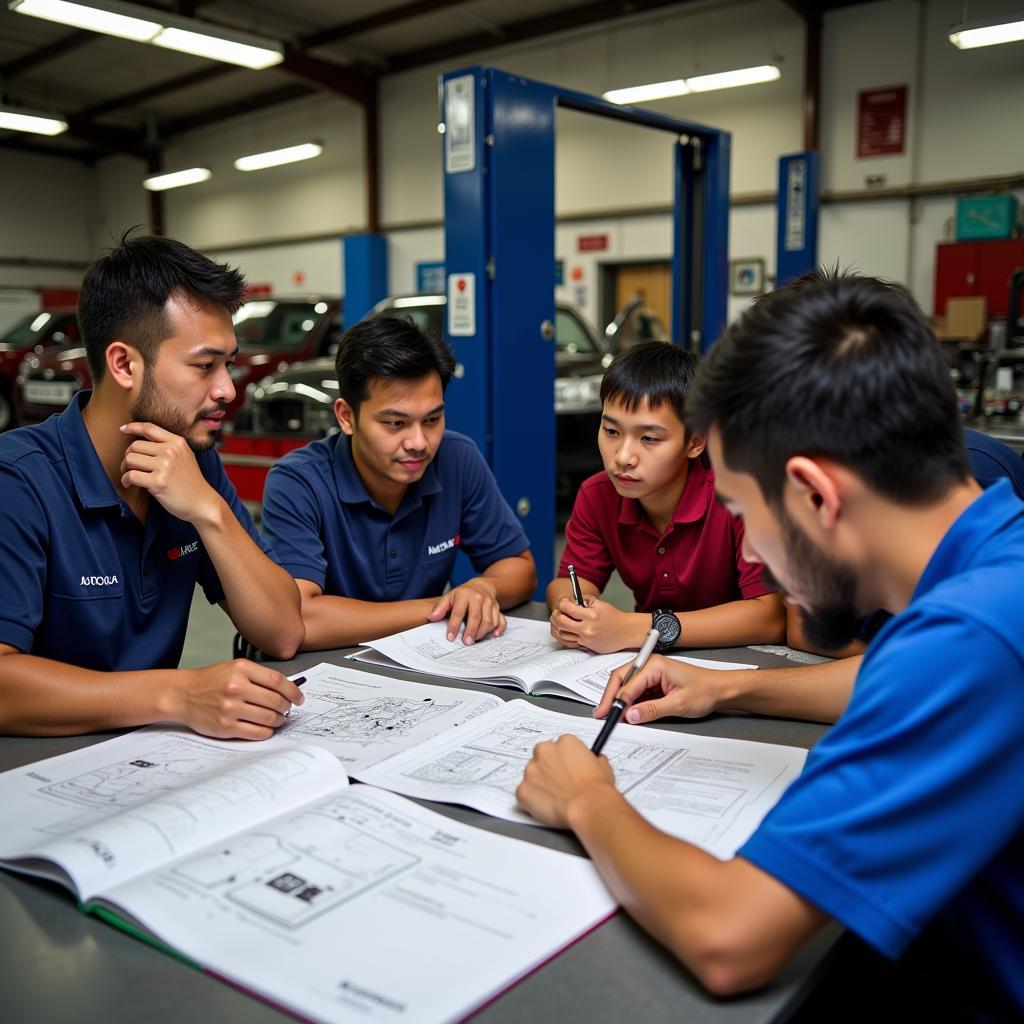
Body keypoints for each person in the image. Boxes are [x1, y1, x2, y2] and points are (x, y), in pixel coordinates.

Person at [516, 271, 1024, 1019]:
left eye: (741, 510)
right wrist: (727, 686)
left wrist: (590, 800)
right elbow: (892, 681)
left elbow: (730, 936)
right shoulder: (994, 560)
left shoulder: (972, 637)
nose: (748, 543)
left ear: (815, 494)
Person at [0, 233, 305, 740]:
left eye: (227, 363)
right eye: (205, 365)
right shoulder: (19, 480)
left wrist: (208, 510)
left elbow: (283, 631)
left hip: (148, 760)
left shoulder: (194, 460)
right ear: (123, 364)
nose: (227, 387)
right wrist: (178, 694)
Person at [260, 315, 536, 651]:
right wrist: (439, 608)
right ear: (346, 416)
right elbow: (300, 617)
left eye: (432, 420)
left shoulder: (456, 458)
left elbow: (519, 568)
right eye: (395, 423)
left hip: (424, 662)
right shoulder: (298, 483)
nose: (419, 442)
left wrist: (485, 589)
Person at [548, 341, 784, 654]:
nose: (623, 457)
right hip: (648, 660)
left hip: (741, 658)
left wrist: (639, 628)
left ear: (695, 442)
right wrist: (574, 611)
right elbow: (570, 580)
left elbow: (770, 617)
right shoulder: (598, 494)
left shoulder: (739, 497)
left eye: (648, 438)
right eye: (612, 431)